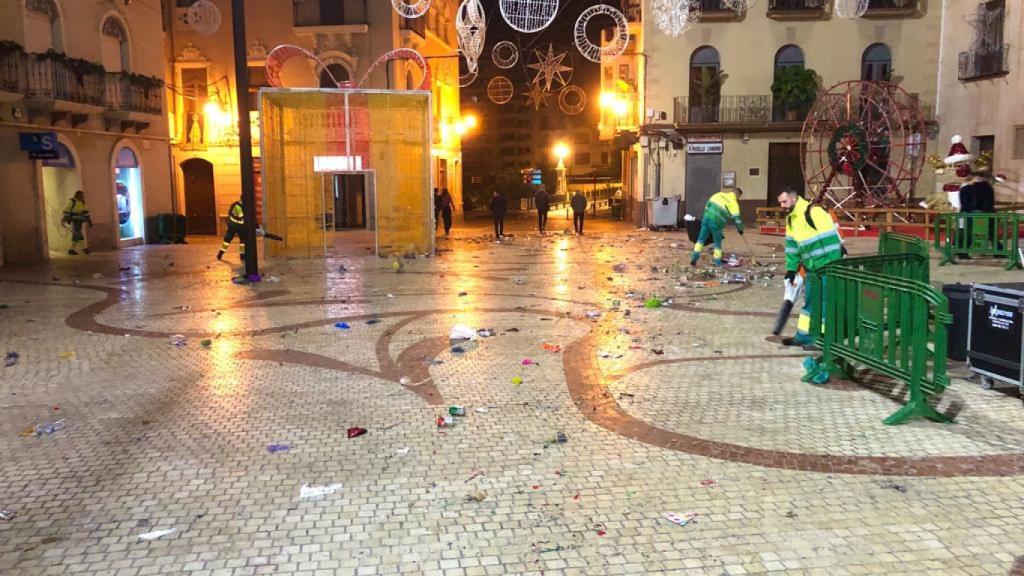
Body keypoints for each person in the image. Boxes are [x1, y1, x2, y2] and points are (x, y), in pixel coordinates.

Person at [778, 188, 843, 348]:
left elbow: (832, 241)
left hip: (827, 267)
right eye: (780, 203)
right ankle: (804, 336)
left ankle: (821, 340)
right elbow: (792, 247)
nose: (782, 206)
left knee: (825, 303)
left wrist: (831, 266)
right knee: (810, 302)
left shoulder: (814, 212)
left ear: (794, 199)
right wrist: (791, 270)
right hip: (811, 268)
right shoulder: (791, 219)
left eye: (784, 202)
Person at [690, 187, 744, 267]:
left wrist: (705, 217)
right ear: (738, 195)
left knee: (700, 240)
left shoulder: (718, 194)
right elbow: (737, 219)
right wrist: (740, 229)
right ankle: (718, 262)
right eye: (739, 197)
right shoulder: (733, 203)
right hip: (716, 223)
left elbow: (707, 205)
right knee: (717, 243)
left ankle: (693, 259)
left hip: (706, 219)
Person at [62, 190, 92, 256]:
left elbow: (86, 211)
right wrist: (64, 219)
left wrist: (89, 220)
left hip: (80, 221)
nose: (83, 197)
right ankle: (83, 248)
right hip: (74, 221)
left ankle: (73, 249)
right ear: (77, 195)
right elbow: (67, 210)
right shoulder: (72, 202)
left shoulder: (82, 202)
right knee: (78, 233)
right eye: (81, 196)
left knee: (77, 234)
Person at [217, 197, 246, 262]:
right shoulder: (237, 206)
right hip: (233, 226)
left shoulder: (240, 205)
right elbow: (242, 216)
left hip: (239, 226)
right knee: (227, 240)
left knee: (243, 240)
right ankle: (220, 253)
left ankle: (242, 255)